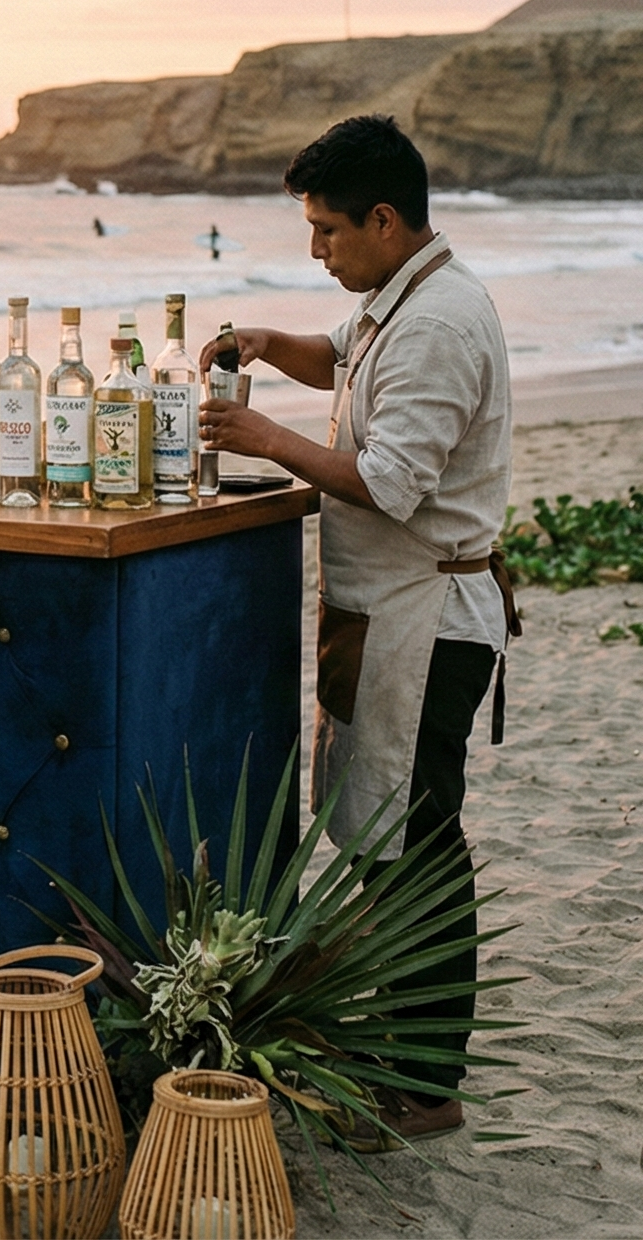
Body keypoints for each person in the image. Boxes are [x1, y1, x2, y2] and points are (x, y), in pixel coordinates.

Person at [196, 115, 515, 1144]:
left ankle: (422, 1083)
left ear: (384, 220)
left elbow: (385, 482)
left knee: (417, 846)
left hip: (429, 619)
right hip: (382, 614)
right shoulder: (396, 298)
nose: (313, 249)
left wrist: (258, 436)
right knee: (383, 837)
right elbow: (333, 354)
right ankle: (393, 1047)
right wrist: (260, 342)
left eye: (326, 231)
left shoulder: (440, 323)